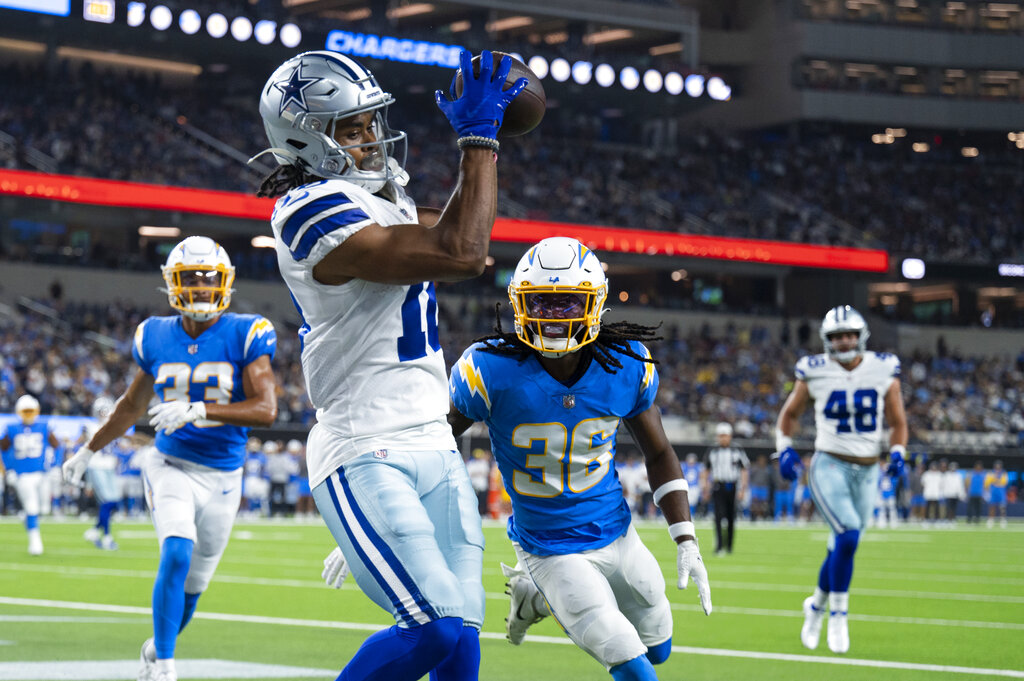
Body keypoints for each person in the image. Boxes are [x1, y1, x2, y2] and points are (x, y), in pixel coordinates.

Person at [256, 48, 528, 681]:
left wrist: (483, 140)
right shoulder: (307, 210)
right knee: (431, 626)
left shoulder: (382, 201)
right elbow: (463, 253)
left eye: (373, 122)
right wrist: (478, 138)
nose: (372, 139)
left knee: (461, 638)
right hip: (364, 443)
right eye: (352, 129)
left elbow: (469, 234)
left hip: (433, 439)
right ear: (303, 140)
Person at [447, 237, 712, 681]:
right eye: (541, 303)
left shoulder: (624, 363)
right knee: (634, 668)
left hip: (618, 532)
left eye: (567, 302)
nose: (553, 318)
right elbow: (436, 438)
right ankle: (541, 583)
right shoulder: (488, 369)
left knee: (659, 650)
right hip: (549, 547)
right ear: (518, 304)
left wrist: (685, 537)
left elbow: (660, 451)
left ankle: (533, 596)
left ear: (594, 304)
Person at [62, 236, 279, 681]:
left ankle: (154, 649)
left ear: (225, 283)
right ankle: (165, 668)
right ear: (172, 284)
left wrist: (201, 409)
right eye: (191, 279)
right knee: (176, 553)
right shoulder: (156, 335)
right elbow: (129, 407)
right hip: (171, 465)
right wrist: (88, 450)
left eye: (208, 279)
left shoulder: (246, 331)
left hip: (224, 475)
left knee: (194, 588)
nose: (200, 288)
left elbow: (267, 409)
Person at [775, 305, 908, 655]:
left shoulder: (883, 368)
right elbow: (789, 414)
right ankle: (838, 614)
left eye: (849, 334)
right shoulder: (814, 370)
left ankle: (815, 605)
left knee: (842, 545)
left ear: (861, 336)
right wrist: (785, 448)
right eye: (836, 336)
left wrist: (898, 452)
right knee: (848, 535)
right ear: (826, 340)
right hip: (828, 464)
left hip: (868, 470)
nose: (844, 341)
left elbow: (897, 421)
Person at [0, 394, 61, 555]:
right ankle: (35, 542)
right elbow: (3, 450)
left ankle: (25, 518)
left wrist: (56, 466)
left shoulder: (44, 426)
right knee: (32, 506)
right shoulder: (11, 428)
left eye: (30, 411)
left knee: (44, 508)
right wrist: (7, 470)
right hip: (22, 475)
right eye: (25, 411)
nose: (28, 414)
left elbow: (57, 446)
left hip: (42, 474)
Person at [80, 396, 123, 550]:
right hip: (97, 466)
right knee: (107, 501)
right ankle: (106, 537)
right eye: (102, 411)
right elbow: (85, 443)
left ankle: (94, 530)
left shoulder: (115, 427)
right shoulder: (91, 427)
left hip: (109, 466)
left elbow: (119, 446)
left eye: (106, 411)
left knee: (114, 501)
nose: (104, 414)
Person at [703, 422, 748, 555]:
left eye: (725, 435)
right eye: (721, 436)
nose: (723, 438)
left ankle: (729, 546)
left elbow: (744, 470)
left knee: (731, 517)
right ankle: (719, 546)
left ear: (730, 436)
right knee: (717, 516)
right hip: (718, 486)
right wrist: (705, 487)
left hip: (732, 486)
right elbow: (706, 470)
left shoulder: (737, 450)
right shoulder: (712, 450)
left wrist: (742, 489)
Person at [985, 460, 1008, 528]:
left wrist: (995, 481)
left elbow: (1004, 482)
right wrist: (996, 481)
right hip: (993, 492)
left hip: (1001, 493)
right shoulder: (991, 473)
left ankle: (1003, 520)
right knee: (992, 507)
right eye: (996, 466)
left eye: (999, 466)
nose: (997, 468)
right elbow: (987, 482)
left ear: (1001, 467)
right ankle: (991, 520)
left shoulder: (1004, 473)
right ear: (994, 467)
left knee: (1002, 508)